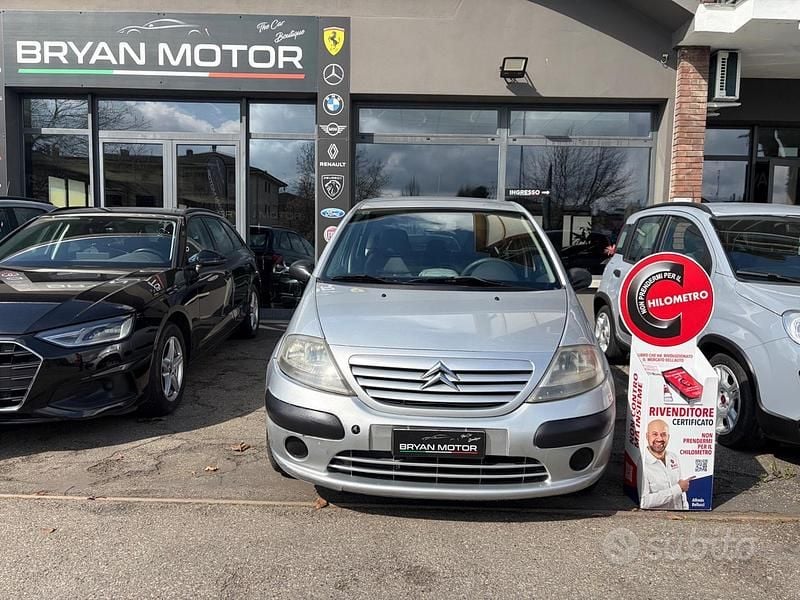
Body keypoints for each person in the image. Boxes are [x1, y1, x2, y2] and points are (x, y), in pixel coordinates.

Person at [641, 419, 691, 510]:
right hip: (657, 517)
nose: (659, 439)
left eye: (663, 434)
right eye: (655, 434)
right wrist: (678, 489)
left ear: (668, 437)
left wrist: (685, 509)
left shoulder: (673, 457)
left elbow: (682, 492)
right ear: (647, 436)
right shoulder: (643, 463)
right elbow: (644, 502)